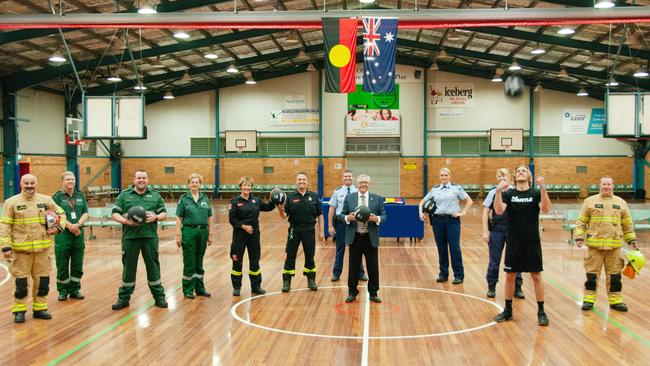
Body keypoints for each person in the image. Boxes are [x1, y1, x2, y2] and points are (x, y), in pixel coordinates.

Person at [1, 174, 66, 323]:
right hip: (20, 252)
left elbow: (61, 213)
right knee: (21, 284)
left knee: (42, 282)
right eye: (26, 183)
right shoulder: (11, 202)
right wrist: (5, 247)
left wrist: (59, 228)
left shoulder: (46, 200)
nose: (29, 185)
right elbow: (4, 226)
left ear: (36, 184)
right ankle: (19, 311)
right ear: (21, 184)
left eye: (32, 183)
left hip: (43, 251)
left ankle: (40, 309)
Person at [493, 165, 552, 326]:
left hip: (532, 241)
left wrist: (543, 188)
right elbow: (498, 211)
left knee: (536, 276)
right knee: (510, 276)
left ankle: (541, 311)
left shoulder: (535, 193)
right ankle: (508, 310)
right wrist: (498, 191)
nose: (520, 172)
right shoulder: (509, 194)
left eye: (523, 171)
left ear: (529, 176)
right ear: (514, 176)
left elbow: (546, 209)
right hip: (514, 242)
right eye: (518, 171)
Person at [575, 176, 638, 312]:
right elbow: (581, 221)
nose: (606, 187)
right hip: (594, 247)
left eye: (609, 185)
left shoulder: (621, 203)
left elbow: (627, 224)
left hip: (614, 247)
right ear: (600, 186)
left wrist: (631, 240)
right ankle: (588, 300)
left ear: (613, 186)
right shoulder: (589, 201)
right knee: (592, 276)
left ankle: (616, 301)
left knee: (615, 276)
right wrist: (579, 237)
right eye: (604, 184)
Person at [111, 170, 168, 310]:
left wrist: (155, 218)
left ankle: (159, 297)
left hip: (150, 237)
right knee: (128, 269)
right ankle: (123, 299)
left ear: (147, 180)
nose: (141, 180)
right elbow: (114, 214)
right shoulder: (124, 195)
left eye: (143, 178)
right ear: (134, 180)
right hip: (130, 237)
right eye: (138, 178)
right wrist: (126, 221)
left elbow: (164, 213)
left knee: (153, 267)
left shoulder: (155, 195)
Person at [419, 167, 473, 284]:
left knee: (455, 248)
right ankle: (443, 274)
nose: (444, 177)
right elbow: (422, 202)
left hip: (452, 221)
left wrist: (462, 212)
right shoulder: (434, 189)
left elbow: (469, 201)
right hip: (438, 221)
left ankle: (459, 275)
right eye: (442, 175)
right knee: (441, 248)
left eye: (446, 175)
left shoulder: (456, 188)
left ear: (450, 176)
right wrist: (420, 212)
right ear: (439, 177)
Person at [340, 174, 387, 303]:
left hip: (370, 237)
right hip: (355, 237)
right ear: (357, 183)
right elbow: (341, 215)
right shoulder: (350, 198)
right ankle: (352, 292)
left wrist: (376, 218)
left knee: (373, 267)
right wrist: (347, 218)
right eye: (361, 182)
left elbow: (384, 216)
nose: (363, 185)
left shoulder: (377, 199)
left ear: (369, 184)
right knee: (353, 266)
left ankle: (373, 292)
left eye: (365, 182)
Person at [228, 176, 277, 296]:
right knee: (237, 261)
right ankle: (236, 287)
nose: (246, 187)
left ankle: (256, 287)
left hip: (254, 236)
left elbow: (268, 207)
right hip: (240, 235)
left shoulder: (256, 200)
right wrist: (243, 226)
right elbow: (232, 219)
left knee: (255, 261)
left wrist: (273, 199)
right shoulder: (234, 201)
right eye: (244, 185)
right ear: (240, 186)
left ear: (251, 187)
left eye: (249, 185)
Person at [278, 172, 324, 292]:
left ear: (307, 181)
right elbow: (284, 215)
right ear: (296, 181)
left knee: (310, 256)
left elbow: (320, 215)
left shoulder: (314, 196)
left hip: (309, 230)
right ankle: (287, 281)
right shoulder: (290, 197)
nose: (301, 181)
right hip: (294, 230)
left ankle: (311, 280)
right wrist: (280, 209)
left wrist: (321, 231)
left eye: (303, 179)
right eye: (299, 179)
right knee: (290, 255)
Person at [482, 168, 524, 299]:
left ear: (509, 177)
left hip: (513, 230)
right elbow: (485, 213)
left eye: (504, 175)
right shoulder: (493, 192)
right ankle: (492, 286)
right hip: (497, 230)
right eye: (499, 176)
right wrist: (485, 231)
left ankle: (517, 287)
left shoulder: (516, 192)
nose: (501, 178)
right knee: (494, 260)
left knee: (515, 259)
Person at [176, 173, 215, 299]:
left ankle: (200, 288)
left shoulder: (205, 199)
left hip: (202, 232)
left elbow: (210, 217)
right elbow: (179, 217)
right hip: (189, 232)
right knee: (189, 262)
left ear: (200, 184)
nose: (194, 184)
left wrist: (211, 233)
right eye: (192, 182)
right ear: (189, 184)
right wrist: (178, 234)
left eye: (197, 182)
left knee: (199, 262)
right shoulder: (184, 199)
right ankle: (188, 289)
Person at [52, 171, 89, 301]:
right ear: (62, 181)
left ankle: (75, 289)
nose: (70, 181)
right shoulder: (57, 197)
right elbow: (56, 215)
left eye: (72, 179)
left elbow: (85, 213)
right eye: (67, 179)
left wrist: (78, 224)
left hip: (78, 235)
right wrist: (71, 227)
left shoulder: (81, 196)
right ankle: (63, 290)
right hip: (63, 235)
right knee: (62, 264)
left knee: (77, 264)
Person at [328, 170, 366, 282]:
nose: (347, 178)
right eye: (345, 176)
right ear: (342, 178)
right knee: (340, 249)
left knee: (357, 249)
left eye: (349, 176)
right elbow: (332, 209)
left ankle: (360, 273)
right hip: (342, 223)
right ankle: (336, 273)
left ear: (352, 178)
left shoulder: (358, 190)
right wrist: (330, 226)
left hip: (356, 223)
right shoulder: (337, 192)